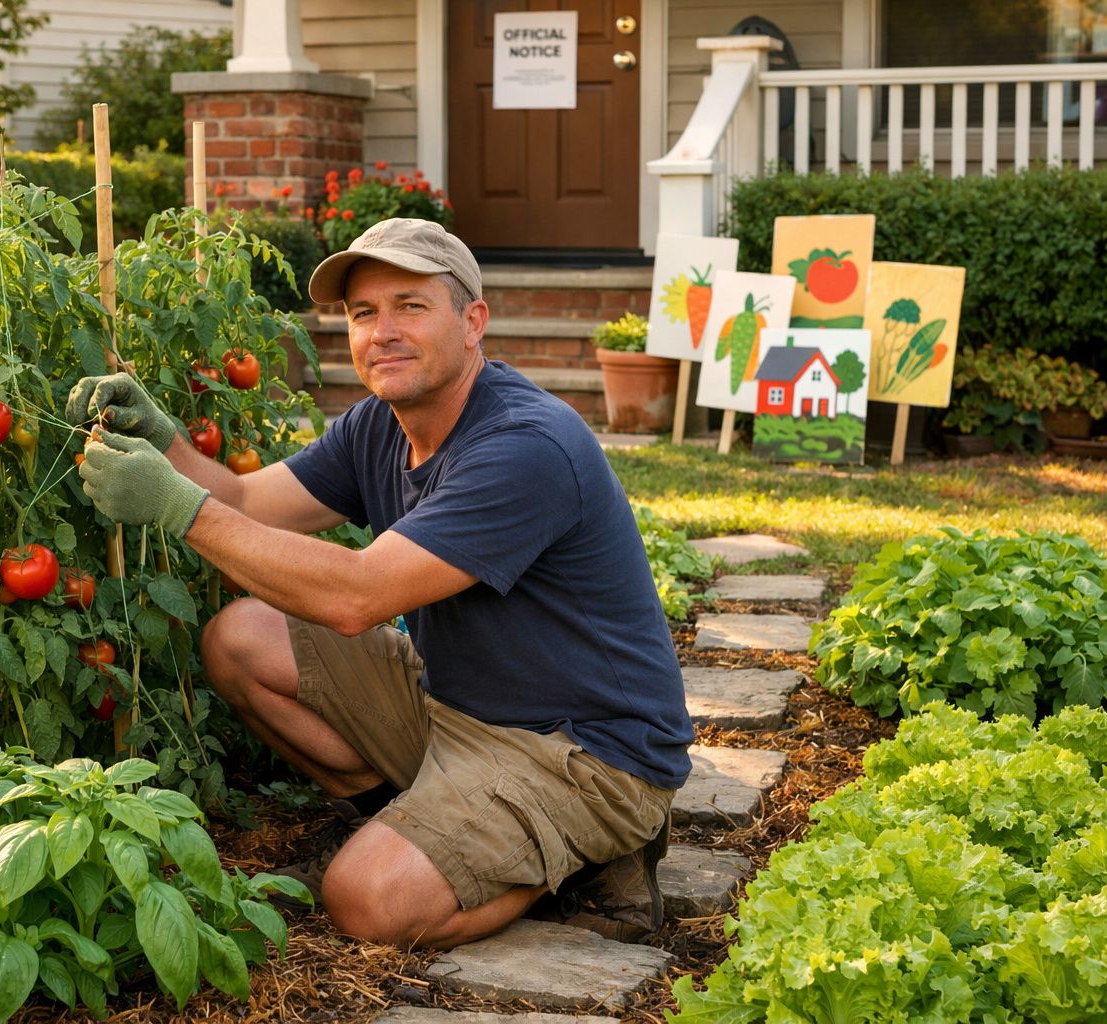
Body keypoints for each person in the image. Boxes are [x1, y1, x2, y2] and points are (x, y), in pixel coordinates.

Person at [65, 218, 693, 950]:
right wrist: (164, 438)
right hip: (458, 710)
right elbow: (243, 504)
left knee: (365, 901)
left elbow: (356, 596)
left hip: (583, 753)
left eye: (411, 306)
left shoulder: (528, 446)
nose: (383, 331)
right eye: (364, 313)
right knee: (241, 639)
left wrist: (174, 506)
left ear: (473, 323)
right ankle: (437, 829)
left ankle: (580, 864)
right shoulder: (378, 425)